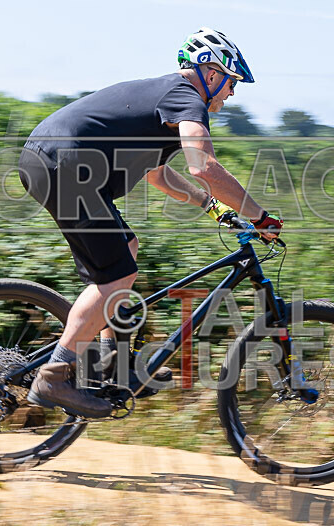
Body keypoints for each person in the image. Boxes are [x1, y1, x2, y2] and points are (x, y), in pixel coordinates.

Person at [18, 27, 283, 418]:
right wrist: (259, 216)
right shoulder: (186, 98)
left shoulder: (165, 101)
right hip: (66, 165)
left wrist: (213, 206)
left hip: (54, 162)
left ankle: (112, 359)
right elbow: (203, 165)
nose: (231, 93)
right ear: (211, 74)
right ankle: (54, 376)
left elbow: (159, 175)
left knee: (126, 250)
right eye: (231, 83)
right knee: (117, 276)